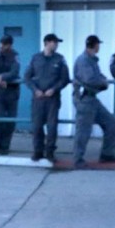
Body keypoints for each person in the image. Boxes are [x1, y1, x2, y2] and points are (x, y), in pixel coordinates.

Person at [72, 35, 115, 168]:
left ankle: (107, 154)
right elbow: (90, 79)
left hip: (92, 99)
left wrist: (102, 80)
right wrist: (103, 83)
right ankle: (78, 160)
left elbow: (97, 76)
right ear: (94, 45)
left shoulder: (91, 60)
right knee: (83, 131)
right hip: (85, 100)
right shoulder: (84, 60)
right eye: (98, 44)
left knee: (111, 123)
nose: (99, 46)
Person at [23, 33, 71, 162]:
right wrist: (35, 90)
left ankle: (50, 152)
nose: (56, 45)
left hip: (52, 99)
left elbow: (65, 79)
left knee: (52, 126)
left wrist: (54, 89)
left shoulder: (60, 59)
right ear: (47, 43)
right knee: (37, 126)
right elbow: (27, 77)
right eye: (54, 42)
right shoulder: (36, 58)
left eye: (57, 43)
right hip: (38, 98)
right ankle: (38, 151)